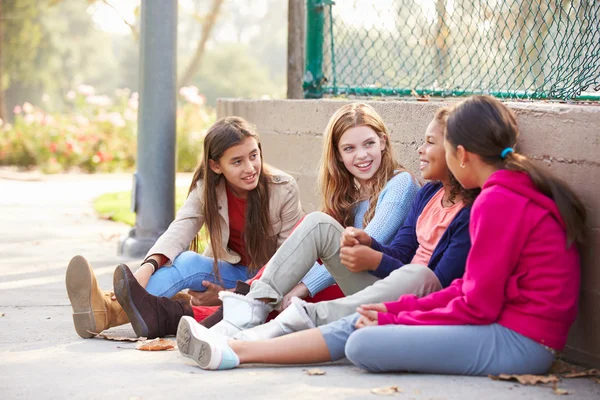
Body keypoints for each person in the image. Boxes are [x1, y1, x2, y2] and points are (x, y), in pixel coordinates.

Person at [177, 95, 586, 377]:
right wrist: (394, 310)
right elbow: (470, 293)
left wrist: (397, 314)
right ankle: (235, 350)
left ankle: (237, 349)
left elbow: (472, 301)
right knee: (363, 332)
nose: (423, 151)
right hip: (502, 326)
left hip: (524, 343)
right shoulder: (504, 192)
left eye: (432, 143)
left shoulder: (496, 201)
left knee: (362, 343)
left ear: (460, 154)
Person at [113, 102, 420, 339]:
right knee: (195, 268)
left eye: (368, 144)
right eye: (349, 148)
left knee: (308, 241)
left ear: (383, 141)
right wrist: (149, 265)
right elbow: (181, 228)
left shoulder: (399, 184)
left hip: (376, 284)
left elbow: (365, 247)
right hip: (300, 280)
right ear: (338, 156)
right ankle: (123, 309)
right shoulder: (349, 197)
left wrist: (299, 288)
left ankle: (187, 315)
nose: (361, 155)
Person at [65, 116, 304, 339]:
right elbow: (180, 230)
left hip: (266, 279)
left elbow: (286, 265)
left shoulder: (283, 189)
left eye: (254, 155)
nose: (250, 168)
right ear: (216, 166)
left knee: (185, 268)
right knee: (186, 262)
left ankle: (107, 310)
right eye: (237, 161)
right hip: (229, 269)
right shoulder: (207, 189)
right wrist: (146, 268)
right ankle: (110, 308)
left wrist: (228, 294)